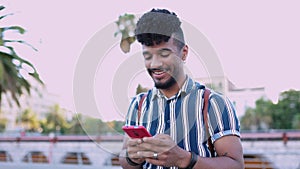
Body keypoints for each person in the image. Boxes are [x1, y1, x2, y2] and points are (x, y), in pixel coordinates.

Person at [119, 8, 244, 169]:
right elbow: (124, 160)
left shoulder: (214, 103)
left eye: (164, 54)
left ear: (184, 53)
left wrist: (183, 159)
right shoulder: (138, 105)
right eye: (148, 56)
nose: (155, 64)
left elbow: (236, 165)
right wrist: (132, 158)